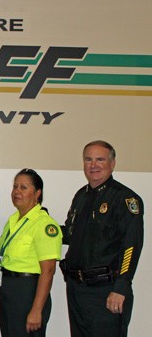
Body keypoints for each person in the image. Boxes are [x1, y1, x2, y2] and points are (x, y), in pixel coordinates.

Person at [61, 140, 144, 337]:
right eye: (88, 159)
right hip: (76, 289)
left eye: (100, 159)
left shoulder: (125, 199)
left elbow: (131, 246)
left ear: (112, 163)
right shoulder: (81, 196)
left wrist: (121, 287)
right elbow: (71, 235)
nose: (93, 165)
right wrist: (45, 228)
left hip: (106, 291)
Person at [0, 169, 62, 337]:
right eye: (15, 186)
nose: (17, 191)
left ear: (37, 193)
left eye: (24, 187)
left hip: (28, 292)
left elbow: (48, 271)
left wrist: (36, 310)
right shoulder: (13, 220)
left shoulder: (44, 224)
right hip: (8, 289)